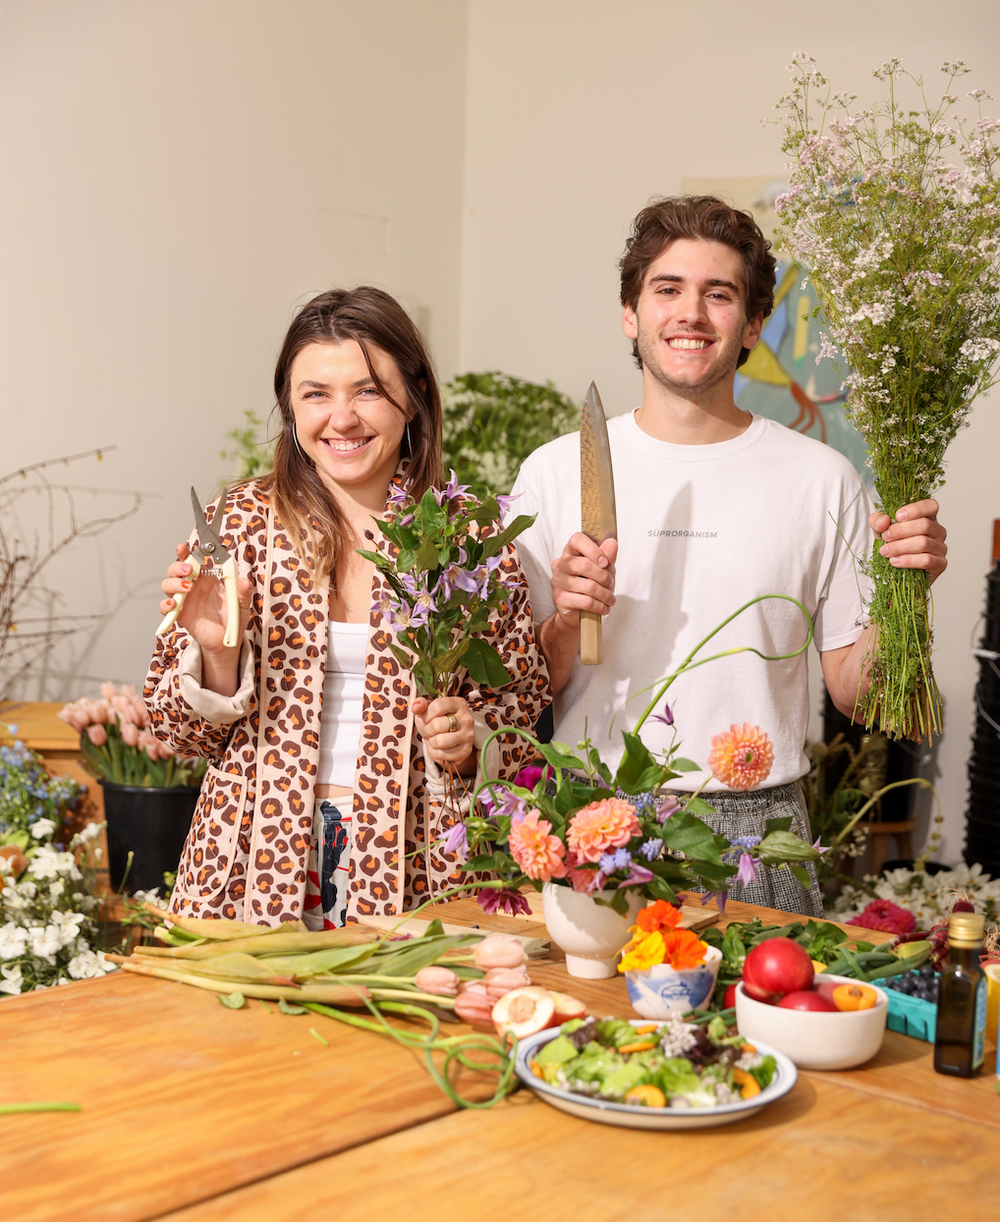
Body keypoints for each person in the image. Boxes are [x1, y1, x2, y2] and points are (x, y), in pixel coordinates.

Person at [511, 196, 947, 916]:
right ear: (631, 314)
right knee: (589, 1029)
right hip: (592, 822)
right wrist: (565, 619)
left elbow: (855, 694)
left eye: (719, 294)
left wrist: (910, 592)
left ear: (750, 325)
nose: (691, 313)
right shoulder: (556, 473)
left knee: (764, 1028)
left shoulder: (822, 479)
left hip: (761, 829)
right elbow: (520, 690)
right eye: (668, 289)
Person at [145, 287, 548, 927]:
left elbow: (524, 710)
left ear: (414, 395)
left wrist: (470, 742)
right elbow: (178, 732)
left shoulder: (467, 536)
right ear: (290, 406)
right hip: (248, 862)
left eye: (367, 390)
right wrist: (218, 654)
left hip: (420, 868)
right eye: (315, 394)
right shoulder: (239, 523)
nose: (342, 418)